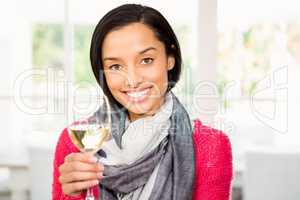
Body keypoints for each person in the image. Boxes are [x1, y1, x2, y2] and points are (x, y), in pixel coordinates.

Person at [52, 4, 233, 200]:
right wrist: (71, 194)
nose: (133, 80)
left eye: (146, 60)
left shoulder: (211, 147)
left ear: (169, 58)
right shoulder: (77, 142)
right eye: (115, 66)